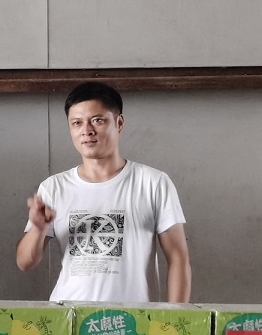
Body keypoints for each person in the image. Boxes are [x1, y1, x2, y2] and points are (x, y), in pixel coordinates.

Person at [16, 80, 191, 303]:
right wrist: (39, 228)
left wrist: (176, 317)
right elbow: (24, 263)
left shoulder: (153, 183)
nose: (87, 131)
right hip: (68, 315)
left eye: (97, 120)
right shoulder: (53, 187)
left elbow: (178, 259)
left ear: (119, 123)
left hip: (135, 317)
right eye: (76, 123)